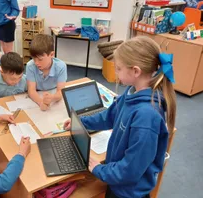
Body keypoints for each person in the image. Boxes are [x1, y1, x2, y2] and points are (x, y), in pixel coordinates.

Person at [63, 36, 176, 198]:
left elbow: (131, 170)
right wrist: (81, 122)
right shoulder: (132, 92)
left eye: (118, 68)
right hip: (117, 182)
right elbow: (108, 117)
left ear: (136, 71)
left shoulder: (146, 117)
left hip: (129, 192)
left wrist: (98, 169)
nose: (116, 73)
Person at [26, 34, 67, 111]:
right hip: (37, 95)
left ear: (51, 54)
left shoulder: (61, 66)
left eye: (40, 59)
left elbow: (61, 91)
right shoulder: (30, 66)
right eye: (34, 59)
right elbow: (31, 91)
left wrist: (53, 97)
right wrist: (41, 102)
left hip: (53, 94)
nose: (36, 63)